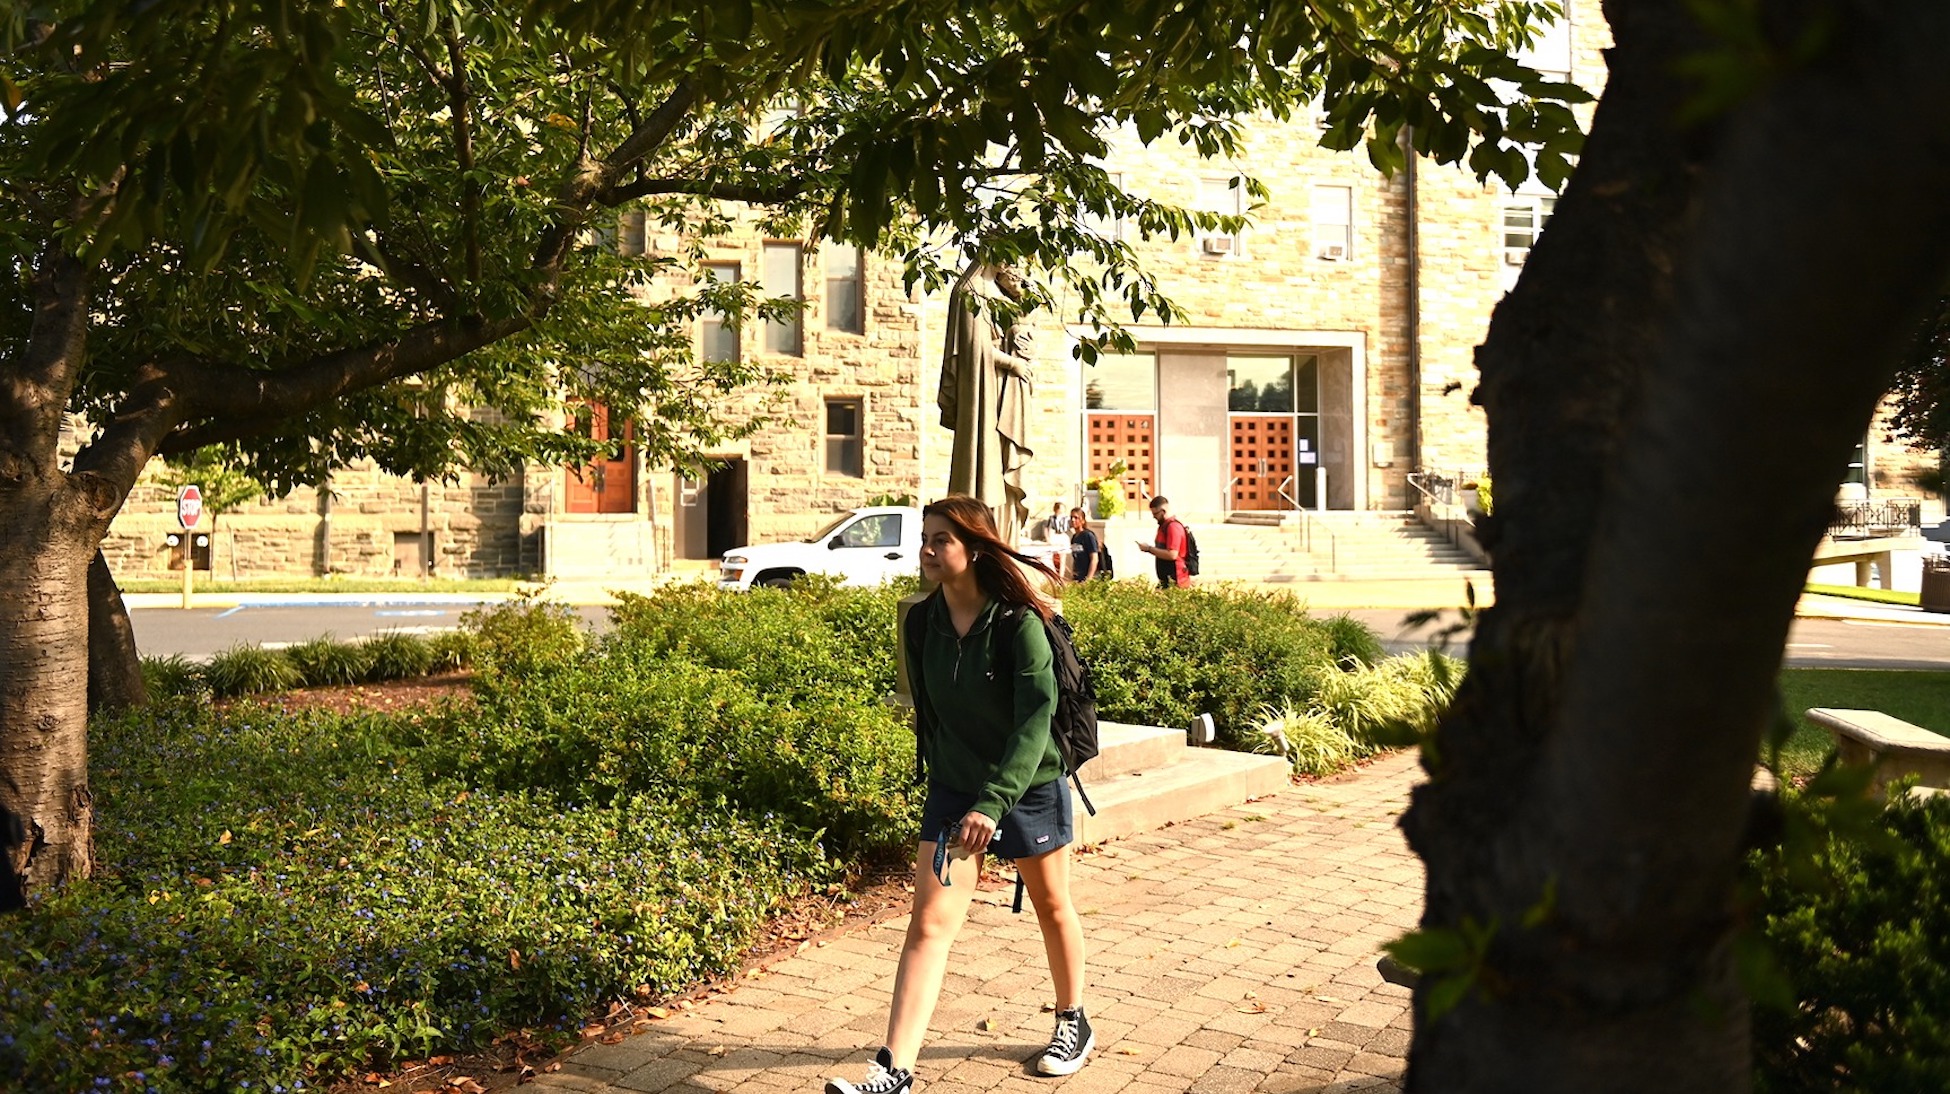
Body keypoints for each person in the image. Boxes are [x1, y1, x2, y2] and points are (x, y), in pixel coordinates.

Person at [826, 495, 1093, 1094]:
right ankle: (893, 1069)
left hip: (1027, 784)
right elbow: (932, 713)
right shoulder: (922, 622)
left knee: (1052, 905)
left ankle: (1073, 1020)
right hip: (954, 786)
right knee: (929, 922)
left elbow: (1034, 720)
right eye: (925, 537)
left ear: (973, 549)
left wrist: (992, 801)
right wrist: (953, 788)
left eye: (940, 539)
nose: (926, 548)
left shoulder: (1022, 623)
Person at [937, 265, 1035, 545]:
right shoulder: (972, 291)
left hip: (1007, 393)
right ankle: (983, 534)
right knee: (985, 463)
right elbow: (974, 349)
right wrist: (1012, 362)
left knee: (1004, 464)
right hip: (984, 397)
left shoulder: (1000, 292)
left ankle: (1005, 538)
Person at [1137, 495, 1191, 588]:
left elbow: (1172, 554)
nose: (1154, 517)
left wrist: (1149, 549)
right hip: (1166, 579)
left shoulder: (1173, 527)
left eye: (1155, 514)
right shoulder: (1164, 526)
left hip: (1176, 579)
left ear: (1163, 511)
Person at [1067, 507, 1101, 583]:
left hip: (1088, 578)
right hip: (1078, 577)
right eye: (1071, 517)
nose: (1073, 520)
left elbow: (1094, 559)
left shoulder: (1088, 536)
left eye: (1076, 518)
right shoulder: (1074, 537)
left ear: (1082, 520)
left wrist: (1088, 579)